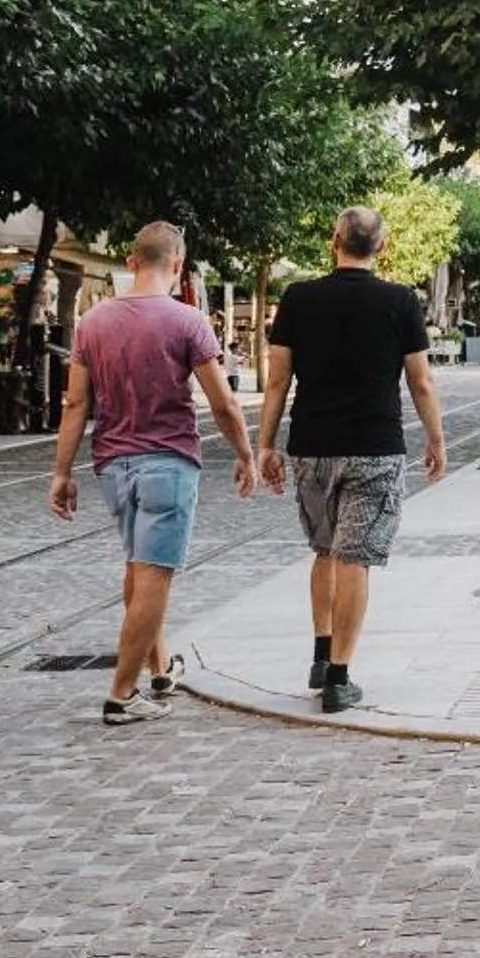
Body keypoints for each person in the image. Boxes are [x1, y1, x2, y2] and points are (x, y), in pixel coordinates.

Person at [48, 221, 256, 725]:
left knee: (138, 568)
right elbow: (222, 402)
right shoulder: (188, 321)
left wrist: (60, 472)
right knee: (155, 575)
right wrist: (246, 453)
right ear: (178, 265)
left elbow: (76, 402)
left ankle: (160, 668)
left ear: (132, 262)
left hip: (112, 465)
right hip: (168, 461)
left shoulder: (92, 323)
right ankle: (122, 694)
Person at [255, 205, 446, 716]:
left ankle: (321, 653)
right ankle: (339, 678)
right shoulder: (400, 301)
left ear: (334, 239)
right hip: (374, 448)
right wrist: (435, 440)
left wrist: (265, 445)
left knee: (324, 549)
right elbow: (420, 381)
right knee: (354, 558)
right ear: (381, 247)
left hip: (312, 447)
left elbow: (277, 381)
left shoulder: (297, 299)